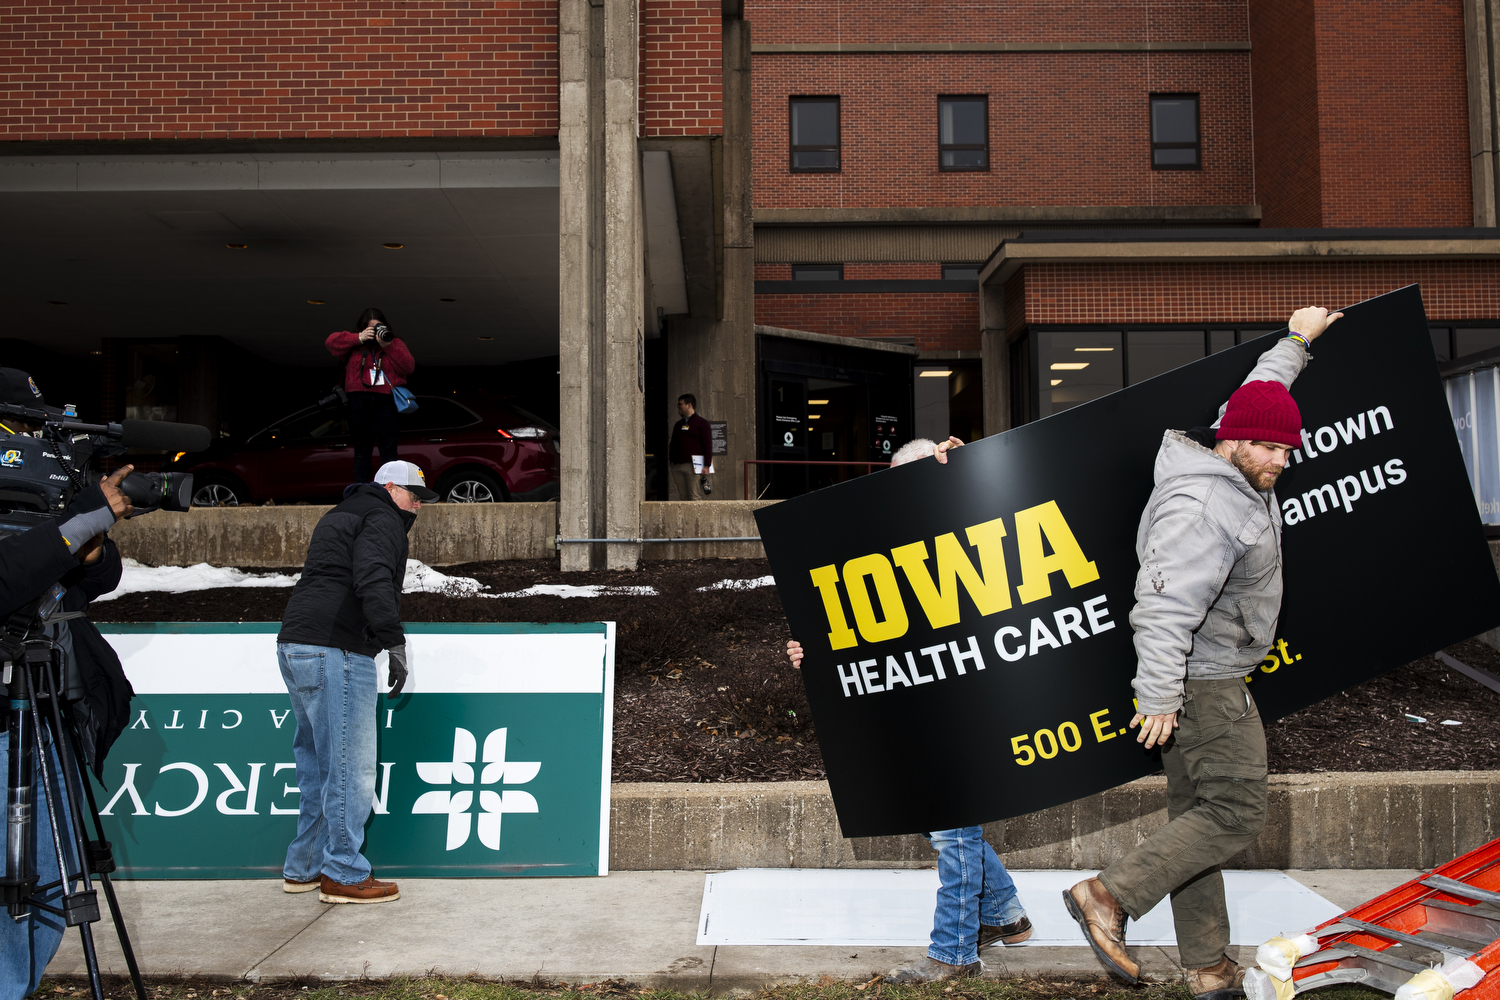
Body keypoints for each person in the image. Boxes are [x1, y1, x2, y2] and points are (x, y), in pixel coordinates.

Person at [1064, 307, 1343, 999]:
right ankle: (1109, 896)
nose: (1283, 462)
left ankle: (1210, 968)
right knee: (1236, 813)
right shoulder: (1205, 508)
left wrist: (1297, 343)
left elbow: (1258, 394)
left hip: (1204, 680)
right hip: (1208, 686)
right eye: (1274, 451)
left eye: (1289, 452)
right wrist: (1159, 695)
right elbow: (1163, 606)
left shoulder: (1233, 458)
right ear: (1236, 442)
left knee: (1197, 823)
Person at [785, 435, 1031, 984]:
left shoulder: (972, 525)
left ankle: (953, 955)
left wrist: (965, 468)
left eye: (921, 477)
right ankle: (1006, 914)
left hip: (963, 712)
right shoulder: (881, 542)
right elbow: (851, 615)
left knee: (952, 832)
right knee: (937, 823)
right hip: (912, 713)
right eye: (897, 481)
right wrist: (813, 653)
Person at [1, 369, 135, 998]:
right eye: (20, 430)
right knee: (19, 876)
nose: (29, 446)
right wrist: (73, 525)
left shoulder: (43, 507)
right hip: (9, 717)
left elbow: (89, 579)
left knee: (56, 873)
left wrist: (86, 536)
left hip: (46, 698)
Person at [275, 459, 436, 904]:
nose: (417, 505)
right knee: (350, 767)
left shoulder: (341, 512)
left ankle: (304, 867)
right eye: (412, 494)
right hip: (337, 649)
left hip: (296, 643)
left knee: (316, 764)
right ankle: (344, 871)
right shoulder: (382, 516)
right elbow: (373, 578)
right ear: (388, 487)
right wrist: (394, 641)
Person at [326, 308, 415, 483]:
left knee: (388, 449)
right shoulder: (354, 346)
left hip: (386, 400)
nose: (376, 333)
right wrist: (358, 337)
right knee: (361, 449)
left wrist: (387, 345)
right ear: (363, 328)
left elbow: (408, 367)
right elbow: (331, 343)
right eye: (372, 329)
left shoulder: (393, 343)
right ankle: (361, 490)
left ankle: (389, 490)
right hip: (358, 399)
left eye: (379, 328)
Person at [669, 394, 714, 500]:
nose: (678, 407)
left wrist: (707, 465)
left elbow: (707, 445)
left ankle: (698, 517)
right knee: (683, 497)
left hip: (693, 466)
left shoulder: (702, 423)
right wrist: (671, 462)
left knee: (695, 496)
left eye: (680, 404)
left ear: (689, 405)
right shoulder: (678, 424)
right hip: (677, 466)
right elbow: (673, 444)